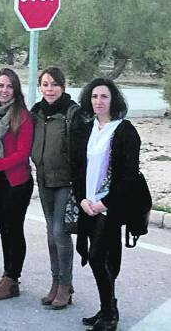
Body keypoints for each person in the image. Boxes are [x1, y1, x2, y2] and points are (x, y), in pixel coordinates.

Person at [71, 78, 140, 331]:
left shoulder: (124, 130)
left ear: (114, 100)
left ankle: (110, 313)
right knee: (101, 259)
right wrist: (82, 199)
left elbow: (129, 176)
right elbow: (78, 169)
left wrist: (103, 203)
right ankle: (107, 306)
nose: (98, 101)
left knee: (99, 257)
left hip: (109, 207)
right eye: (94, 97)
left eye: (104, 97)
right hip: (88, 204)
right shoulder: (87, 129)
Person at [0, 68, 34, 300]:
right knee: (4, 231)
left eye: (9, 86)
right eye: (1, 85)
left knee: (14, 230)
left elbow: (23, 154)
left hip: (17, 182)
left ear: (16, 89)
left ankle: (12, 278)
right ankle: (7, 276)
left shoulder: (22, 116)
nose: (4, 90)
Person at [30, 67, 79, 309]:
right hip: (44, 178)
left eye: (54, 84)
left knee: (60, 231)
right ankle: (56, 281)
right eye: (45, 84)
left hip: (65, 181)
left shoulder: (73, 112)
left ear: (63, 86)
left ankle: (65, 286)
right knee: (51, 232)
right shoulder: (36, 112)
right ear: (40, 87)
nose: (50, 89)